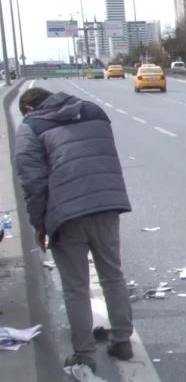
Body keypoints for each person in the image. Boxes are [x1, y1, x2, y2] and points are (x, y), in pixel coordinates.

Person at [15, 87, 134, 373]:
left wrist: (40, 224)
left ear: (29, 107)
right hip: (107, 204)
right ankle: (122, 341)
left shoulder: (31, 127)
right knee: (112, 275)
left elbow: (32, 182)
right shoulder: (94, 111)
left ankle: (84, 355)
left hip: (66, 214)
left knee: (75, 287)